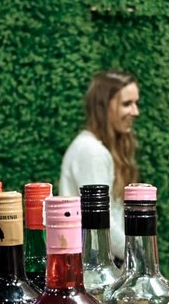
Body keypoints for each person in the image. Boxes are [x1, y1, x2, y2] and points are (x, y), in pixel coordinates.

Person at [58, 69, 140, 259]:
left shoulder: (94, 148)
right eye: (127, 104)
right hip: (94, 266)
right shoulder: (91, 151)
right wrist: (138, 258)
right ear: (104, 107)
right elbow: (102, 222)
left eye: (136, 103)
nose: (136, 112)